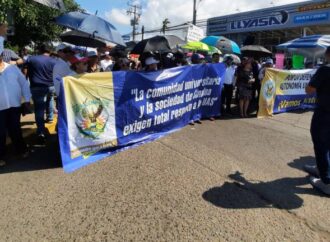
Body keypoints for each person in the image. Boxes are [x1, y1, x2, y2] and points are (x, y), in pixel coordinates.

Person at [304, 47, 330, 195]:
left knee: (321, 144)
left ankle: (326, 181)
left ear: (327, 54)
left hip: (324, 113)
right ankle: (321, 169)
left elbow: (309, 89)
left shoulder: (324, 70)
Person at [0, 48, 31, 166]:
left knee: (15, 130)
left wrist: (27, 100)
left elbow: (24, 83)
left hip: (14, 106)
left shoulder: (12, 68)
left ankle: (21, 151)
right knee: (0, 133)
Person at [26, 44, 57, 142]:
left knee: (39, 109)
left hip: (37, 87)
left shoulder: (31, 59)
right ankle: (50, 117)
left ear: (40, 50)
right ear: (49, 51)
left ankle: (41, 131)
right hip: (51, 86)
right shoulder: (54, 61)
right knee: (50, 99)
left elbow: (25, 70)